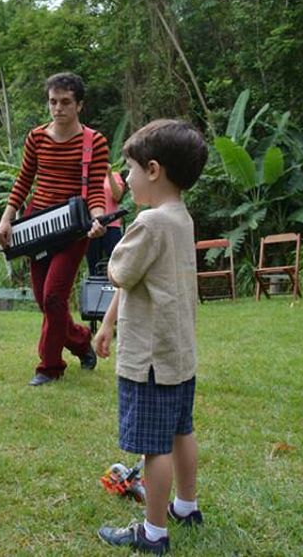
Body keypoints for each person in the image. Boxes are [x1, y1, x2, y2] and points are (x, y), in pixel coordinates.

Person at [92, 119, 208, 554]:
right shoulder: (181, 218)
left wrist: (110, 238)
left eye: (131, 169)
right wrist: (107, 324)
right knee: (181, 432)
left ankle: (153, 532)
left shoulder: (149, 224)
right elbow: (141, 282)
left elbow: (121, 271)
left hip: (150, 360)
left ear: (154, 170)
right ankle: (186, 504)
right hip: (178, 355)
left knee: (152, 448)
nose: (127, 179)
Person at [0, 72, 109, 386]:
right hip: (36, 224)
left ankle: (49, 367)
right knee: (44, 301)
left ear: (79, 105)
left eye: (66, 102)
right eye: (53, 102)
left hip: (73, 229)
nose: (58, 108)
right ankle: (81, 340)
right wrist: (7, 219)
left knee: (55, 297)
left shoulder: (93, 141)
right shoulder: (36, 137)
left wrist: (98, 219)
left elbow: (97, 190)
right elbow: (23, 181)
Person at [85, 167, 126, 275]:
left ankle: (116, 288)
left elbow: (117, 196)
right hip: (93, 226)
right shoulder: (87, 177)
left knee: (116, 260)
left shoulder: (115, 175)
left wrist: (109, 174)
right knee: (93, 263)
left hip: (112, 225)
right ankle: (94, 288)